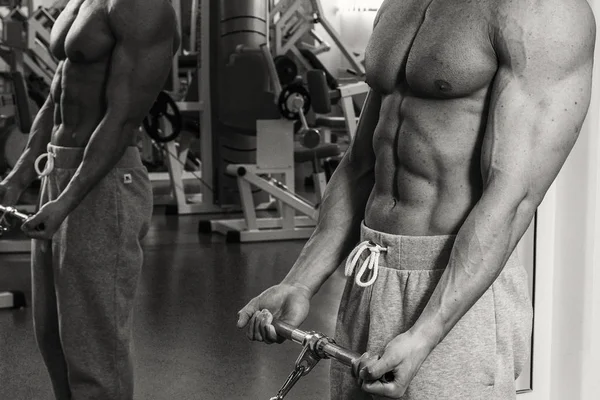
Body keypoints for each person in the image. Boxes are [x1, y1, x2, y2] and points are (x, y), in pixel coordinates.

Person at [238, 0, 595, 398]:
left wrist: (427, 332)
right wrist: (299, 283)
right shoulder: (400, 5)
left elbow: (512, 197)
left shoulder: (542, 12)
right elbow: (360, 165)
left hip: (456, 284)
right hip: (372, 271)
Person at [0, 0, 180, 398]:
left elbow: (123, 118)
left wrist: (67, 201)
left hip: (105, 179)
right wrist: (18, 178)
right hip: (58, 169)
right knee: (54, 339)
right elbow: (55, 97)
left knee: (93, 352)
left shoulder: (142, 7)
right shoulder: (79, 3)